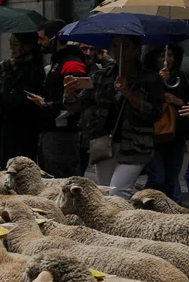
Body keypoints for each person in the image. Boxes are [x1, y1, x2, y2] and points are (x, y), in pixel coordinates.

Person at [65, 35, 164, 200]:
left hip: (135, 145)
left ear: (136, 49)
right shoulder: (101, 76)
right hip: (103, 143)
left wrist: (127, 93)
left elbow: (155, 113)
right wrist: (69, 94)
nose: (119, 51)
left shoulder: (150, 79)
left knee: (119, 192)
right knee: (105, 193)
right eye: (116, 46)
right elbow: (79, 105)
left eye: (126, 47)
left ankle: (123, 224)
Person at [0, 32, 46, 164]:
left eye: (15, 44)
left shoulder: (31, 71)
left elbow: (11, 101)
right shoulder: (9, 67)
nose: (12, 48)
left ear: (28, 46)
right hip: (0, 130)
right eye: (10, 44)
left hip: (18, 134)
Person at [30, 22, 89, 177]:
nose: (39, 42)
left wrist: (48, 104)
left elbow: (78, 99)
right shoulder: (58, 60)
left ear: (55, 38)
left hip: (62, 134)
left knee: (59, 181)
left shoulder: (71, 62)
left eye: (42, 39)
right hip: (51, 130)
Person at [143, 45, 189, 203]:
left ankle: (176, 211)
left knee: (172, 177)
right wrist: (158, 81)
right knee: (157, 178)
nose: (167, 60)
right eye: (162, 55)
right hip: (155, 134)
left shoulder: (182, 77)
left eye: (170, 55)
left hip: (177, 134)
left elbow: (185, 99)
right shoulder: (146, 76)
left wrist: (180, 101)